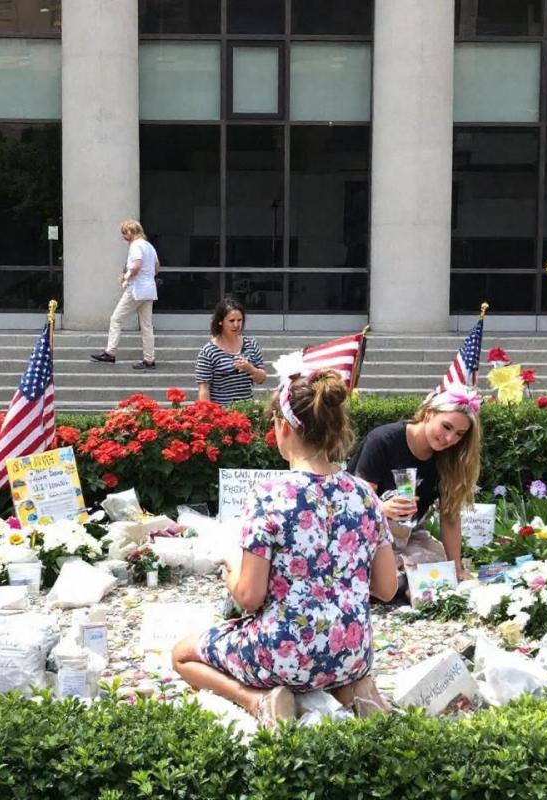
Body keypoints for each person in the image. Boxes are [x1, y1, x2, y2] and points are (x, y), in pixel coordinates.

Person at [172, 369, 398, 728]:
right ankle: (356, 692)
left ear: (284, 427)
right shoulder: (364, 495)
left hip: (283, 654)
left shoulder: (270, 495)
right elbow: (387, 589)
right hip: (351, 653)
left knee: (183, 654)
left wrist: (231, 567)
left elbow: (249, 596)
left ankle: (259, 701)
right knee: (330, 666)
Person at [349, 387, 482, 584]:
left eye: (459, 434)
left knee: (438, 572)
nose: (450, 439)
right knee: (399, 578)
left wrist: (456, 568)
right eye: (446, 427)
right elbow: (356, 502)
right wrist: (382, 508)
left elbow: (450, 516)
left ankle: (402, 581)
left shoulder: (449, 459)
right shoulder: (384, 440)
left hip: (408, 537)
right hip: (365, 533)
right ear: (429, 413)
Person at [90, 219, 160, 370]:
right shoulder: (149, 246)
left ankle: (110, 352)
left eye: (124, 233)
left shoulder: (135, 246)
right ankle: (149, 359)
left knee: (116, 319)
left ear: (130, 232)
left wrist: (125, 277)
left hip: (136, 289)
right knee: (147, 326)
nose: (123, 237)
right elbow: (156, 268)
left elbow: (136, 265)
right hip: (149, 289)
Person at [194, 297, 266, 405]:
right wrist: (207, 414)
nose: (236, 325)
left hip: (246, 411)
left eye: (239, 320)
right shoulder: (208, 351)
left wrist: (250, 369)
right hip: (222, 414)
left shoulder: (251, 343)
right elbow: (204, 388)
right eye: (231, 321)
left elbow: (261, 379)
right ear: (220, 322)